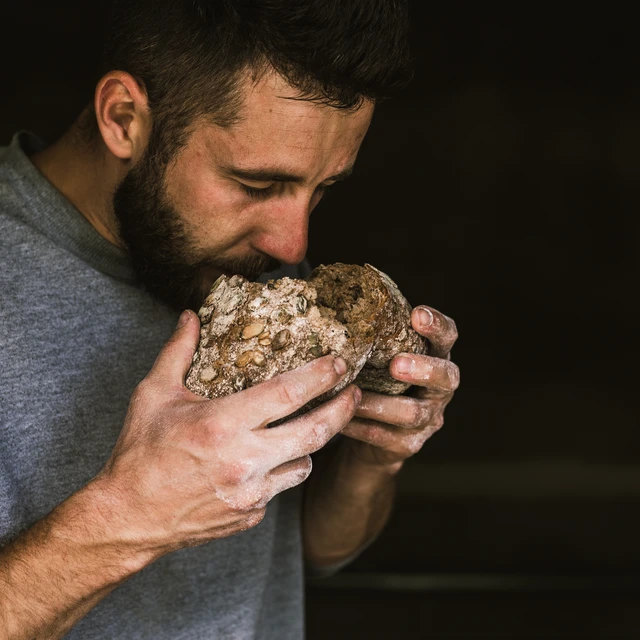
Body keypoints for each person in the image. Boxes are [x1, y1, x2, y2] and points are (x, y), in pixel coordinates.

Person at [0, 1, 460, 637]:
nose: (294, 244)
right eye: (256, 184)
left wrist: (371, 459)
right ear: (124, 118)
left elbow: (306, 554)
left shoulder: (262, 273)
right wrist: (128, 516)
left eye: (321, 188)